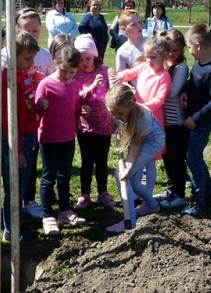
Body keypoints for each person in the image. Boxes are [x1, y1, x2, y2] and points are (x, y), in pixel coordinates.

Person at [113, 36, 172, 216]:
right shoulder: (145, 68)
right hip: (136, 119)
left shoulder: (164, 76)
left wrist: (140, 107)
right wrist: (118, 77)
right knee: (140, 157)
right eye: (146, 56)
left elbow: (159, 100)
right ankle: (142, 195)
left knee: (150, 160)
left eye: (153, 57)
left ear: (163, 56)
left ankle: (149, 196)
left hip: (153, 120)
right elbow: (129, 73)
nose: (148, 60)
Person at [35, 45, 88, 236]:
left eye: (72, 72)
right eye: (64, 71)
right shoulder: (46, 84)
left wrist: (81, 111)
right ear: (56, 63)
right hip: (49, 138)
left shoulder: (74, 85)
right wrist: (41, 107)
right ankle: (47, 214)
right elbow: (37, 111)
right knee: (48, 177)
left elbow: (74, 107)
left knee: (64, 175)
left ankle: (65, 210)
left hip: (68, 137)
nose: (67, 76)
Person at [0, 30, 45, 242]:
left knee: (22, 184)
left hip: (28, 137)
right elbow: (9, 119)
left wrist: (39, 109)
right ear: (13, 54)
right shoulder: (8, 78)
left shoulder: (23, 75)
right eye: (27, 58)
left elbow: (26, 107)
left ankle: (16, 223)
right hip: (16, 141)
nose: (31, 63)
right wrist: (16, 150)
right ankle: (11, 229)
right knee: (15, 186)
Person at [105, 83, 165, 234]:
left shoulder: (142, 117)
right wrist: (117, 122)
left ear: (131, 105)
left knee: (121, 175)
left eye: (119, 113)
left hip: (152, 142)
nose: (115, 115)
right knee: (134, 182)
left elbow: (136, 146)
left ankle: (130, 221)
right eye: (112, 112)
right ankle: (152, 205)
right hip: (138, 141)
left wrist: (128, 168)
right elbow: (120, 123)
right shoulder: (120, 108)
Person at [181, 24, 211, 218]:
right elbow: (195, 84)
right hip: (193, 118)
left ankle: (199, 203)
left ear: (198, 46)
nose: (188, 50)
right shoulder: (198, 63)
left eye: (189, 46)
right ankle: (210, 194)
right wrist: (185, 90)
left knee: (193, 158)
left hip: (202, 121)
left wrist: (196, 118)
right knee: (195, 156)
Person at [73, 34, 116, 210]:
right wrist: (81, 107)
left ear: (95, 56)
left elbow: (114, 93)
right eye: (81, 59)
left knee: (102, 160)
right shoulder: (75, 75)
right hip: (85, 126)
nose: (85, 63)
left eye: (88, 58)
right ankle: (84, 193)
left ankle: (103, 192)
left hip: (104, 125)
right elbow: (74, 99)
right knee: (87, 160)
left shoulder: (104, 71)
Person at [154, 29, 190, 209]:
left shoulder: (181, 67)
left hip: (176, 121)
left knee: (177, 157)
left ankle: (180, 194)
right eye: (168, 50)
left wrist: (157, 85)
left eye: (175, 50)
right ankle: (171, 188)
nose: (171, 54)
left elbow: (173, 91)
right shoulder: (165, 65)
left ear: (182, 49)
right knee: (167, 156)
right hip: (164, 120)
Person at [115, 9, 146, 75]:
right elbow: (121, 76)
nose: (139, 26)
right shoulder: (122, 51)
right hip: (137, 85)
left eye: (139, 22)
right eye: (133, 24)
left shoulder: (151, 42)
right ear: (123, 29)